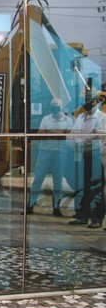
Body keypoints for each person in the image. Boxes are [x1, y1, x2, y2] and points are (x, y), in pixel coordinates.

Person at [28, 97, 73, 216]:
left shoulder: (68, 120)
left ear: (61, 107)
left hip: (60, 153)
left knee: (58, 181)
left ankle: (56, 207)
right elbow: (40, 133)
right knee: (38, 179)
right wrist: (58, 133)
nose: (54, 108)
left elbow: (68, 136)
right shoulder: (46, 118)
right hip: (45, 151)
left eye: (56, 106)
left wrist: (50, 132)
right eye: (53, 106)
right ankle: (30, 205)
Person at [66, 96, 104, 227]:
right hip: (81, 155)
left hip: (96, 155)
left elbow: (97, 136)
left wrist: (81, 140)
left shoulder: (102, 118)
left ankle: (96, 218)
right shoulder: (81, 118)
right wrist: (75, 142)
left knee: (96, 187)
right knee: (83, 186)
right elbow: (72, 135)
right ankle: (83, 215)